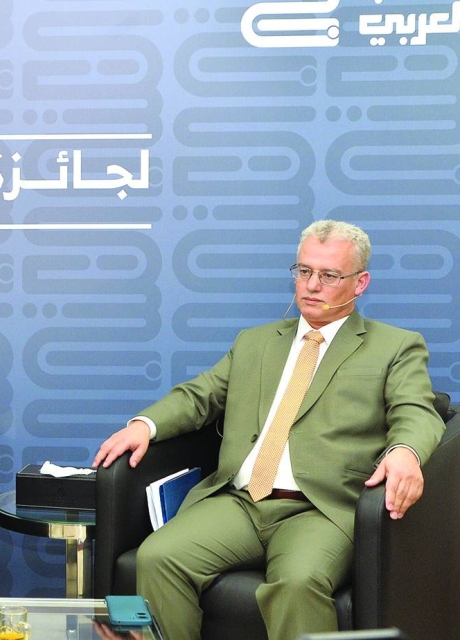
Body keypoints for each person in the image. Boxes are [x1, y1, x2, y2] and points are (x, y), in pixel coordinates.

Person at [92, 220, 444, 640]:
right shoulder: (255, 343)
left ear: (360, 282)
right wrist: (145, 425)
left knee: (297, 583)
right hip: (241, 502)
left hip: (322, 509)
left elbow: (418, 411)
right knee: (158, 557)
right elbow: (199, 395)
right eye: (304, 271)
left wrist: (405, 450)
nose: (312, 285)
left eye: (329, 275)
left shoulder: (395, 346)